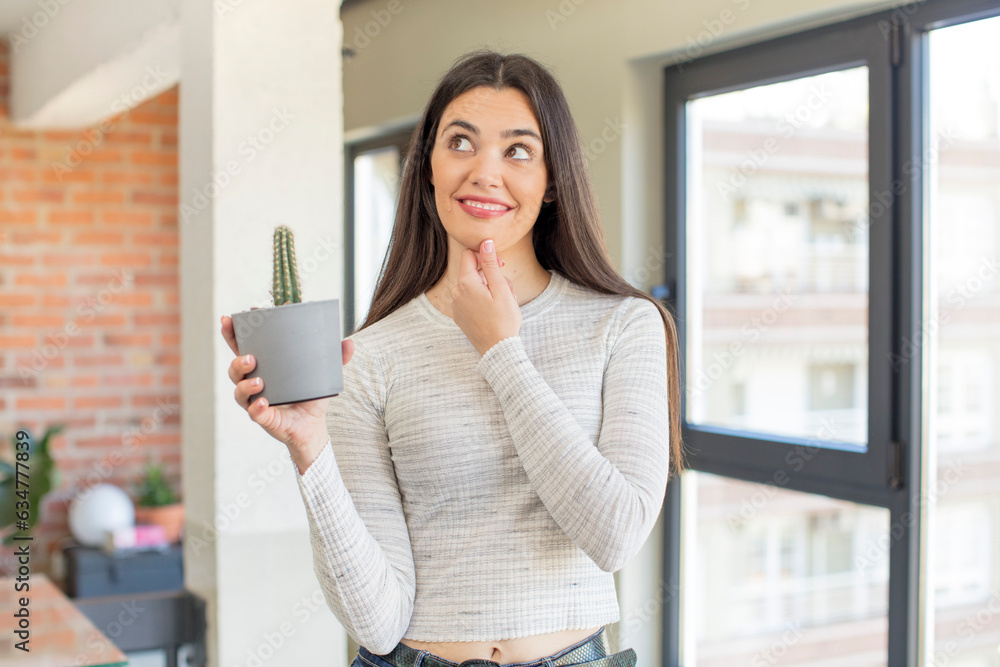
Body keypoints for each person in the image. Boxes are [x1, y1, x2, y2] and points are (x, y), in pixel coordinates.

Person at [221, 50, 682, 667]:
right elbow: (377, 623)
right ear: (428, 170)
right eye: (460, 142)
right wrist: (310, 450)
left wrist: (501, 351)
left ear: (551, 182)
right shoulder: (372, 353)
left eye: (518, 150)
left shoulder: (624, 326)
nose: (484, 172)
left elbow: (615, 534)